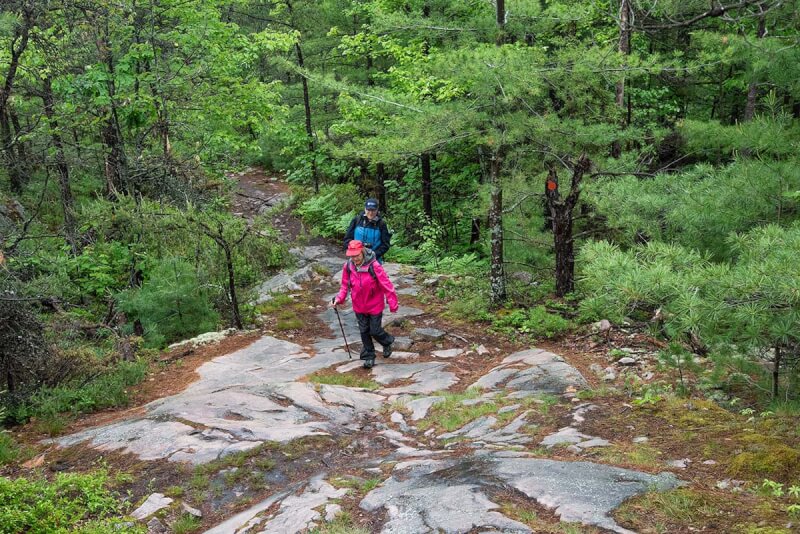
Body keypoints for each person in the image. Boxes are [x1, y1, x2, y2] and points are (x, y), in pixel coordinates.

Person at [330, 240, 398, 369]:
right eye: (352, 255)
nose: (354, 258)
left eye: (356, 255)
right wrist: (339, 298)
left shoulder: (374, 266)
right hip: (359, 305)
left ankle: (387, 341)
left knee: (375, 330)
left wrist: (392, 302)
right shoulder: (348, 267)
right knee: (364, 331)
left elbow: (386, 284)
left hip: (374, 304)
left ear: (362, 251)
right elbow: (345, 285)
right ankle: (369, 356)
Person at [344, 198, 391, 263]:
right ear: (365, 209)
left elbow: (385, 245)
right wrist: (355, 252)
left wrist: (373, 255)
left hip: (375, 260)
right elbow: (347, 239)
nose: (371, 213)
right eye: (368, 210)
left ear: (377, 210)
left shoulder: (381, 224)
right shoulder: (356, 220)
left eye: (373, 210)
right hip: (356, 259)